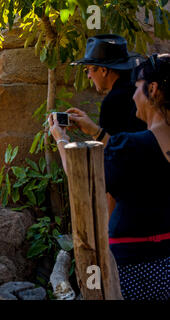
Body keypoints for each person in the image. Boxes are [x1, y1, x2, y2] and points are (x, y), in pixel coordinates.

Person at [49, 53, 170, 300]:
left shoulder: (134, 147)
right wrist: (96, 130)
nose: (133, 96)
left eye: (136, 88)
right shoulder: (141, 146)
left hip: (135, 266)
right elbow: (132, 154)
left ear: (153, 89)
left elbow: (82, 180)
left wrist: (60, 138)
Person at [68, 34, 147, 146]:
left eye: (88, 70)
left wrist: (61, 138)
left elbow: (112, 154)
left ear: (104, 70)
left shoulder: (113, 102)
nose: (89, 76)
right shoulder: (139, 89)